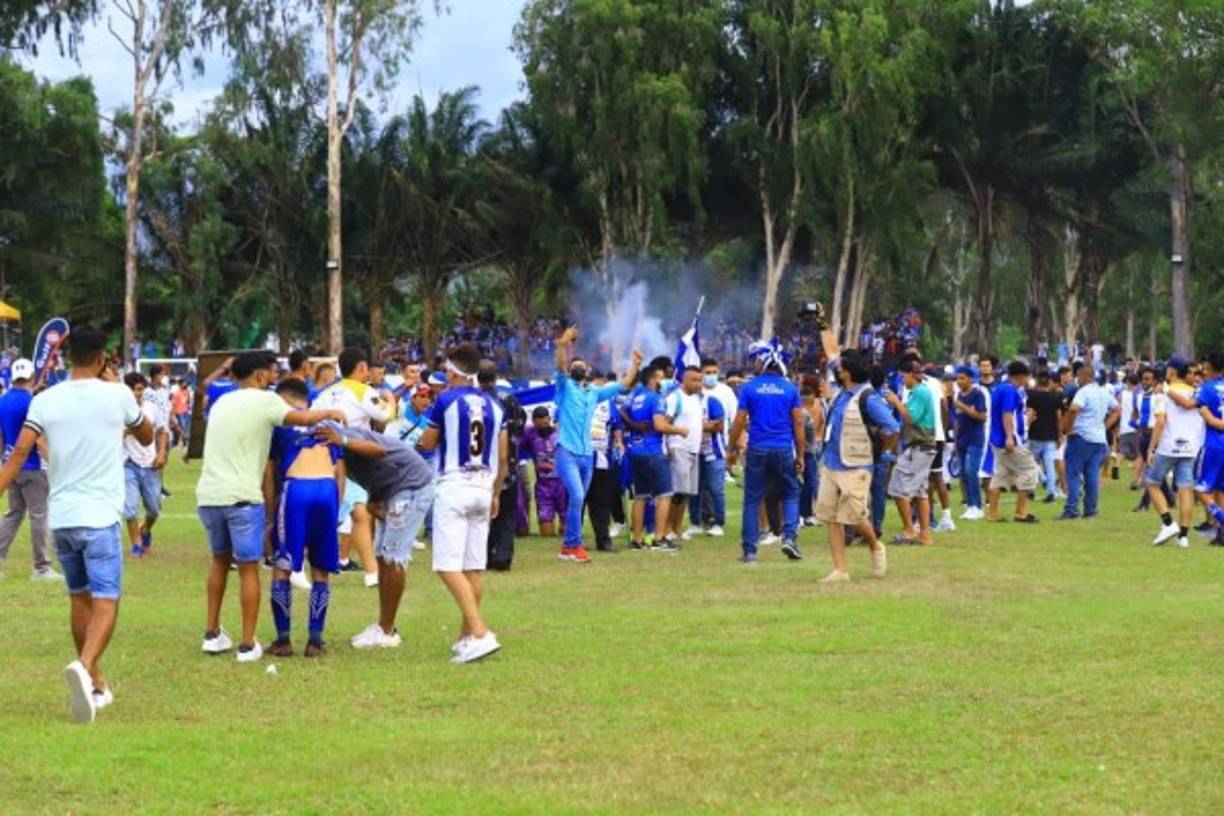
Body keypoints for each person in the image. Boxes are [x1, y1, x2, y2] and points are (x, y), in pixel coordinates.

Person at [0, 328, 153, 723]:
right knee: (106, 601)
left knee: (79, 599)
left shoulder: (45, 399)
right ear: (102, 358)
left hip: (62, 518)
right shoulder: (118, 394)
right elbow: (146, 432)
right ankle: (84, 667)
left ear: (67, 358)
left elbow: (19, 450)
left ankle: (97, 684)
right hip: (99, 517)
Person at [196, 350, 345, 663]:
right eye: (272, 373)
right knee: (257, 569)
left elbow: (270, 467)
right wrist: (335, 413)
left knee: (223, 562)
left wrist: (271, 512)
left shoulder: (222, 400)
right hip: (285, 493)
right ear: (261, 376)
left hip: (211, 495)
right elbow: (308, 424)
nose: (274, 378)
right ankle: (261, 643)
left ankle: (217, 634)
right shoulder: (268, 403)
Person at [418, 343, 508, 664]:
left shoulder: (444, 400)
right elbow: (502, 456)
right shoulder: (496, 407)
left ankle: (481, 633)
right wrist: (496, 492)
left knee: (447, 565)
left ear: (454, 372)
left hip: (454, 485)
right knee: (473, 566)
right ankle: (466, 637)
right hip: (483, 487)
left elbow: (427, 442)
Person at [316, 411, 436, 651]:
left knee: (393, 557)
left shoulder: (348, 439)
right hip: (391, 490)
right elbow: (376, 471)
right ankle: (384, 625)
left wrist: (343, 441)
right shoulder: (337, 451)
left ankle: (387, 631)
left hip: (411, 487)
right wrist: (373, 497)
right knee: (382, 555)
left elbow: (379, 452)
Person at [813, 316, 899, 581]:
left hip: (856, 465)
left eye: (841, 367)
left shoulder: (868, 398)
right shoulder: (842, 390)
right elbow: (831, 352)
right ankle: (840, 569)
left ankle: (875, 545)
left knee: (856, 515)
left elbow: (892, 428)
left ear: (847, 372)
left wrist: (883, 452)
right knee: (831, 516)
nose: (836, 368)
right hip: (831, 462)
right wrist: (823, 326)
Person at [265, 378, 345, 657]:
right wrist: (337, 508)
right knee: (321, 569)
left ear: (284, 400)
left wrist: (269, 516)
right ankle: (315, 640)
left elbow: (269, 473)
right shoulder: (329, 427)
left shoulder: (280, 426)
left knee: (282, 566)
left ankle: (283, 639)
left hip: (296, 489)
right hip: (327, 489)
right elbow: (340, 473)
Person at [551, 326, 642, 562]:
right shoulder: (564, 387)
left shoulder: (594, 393)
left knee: (578, 498)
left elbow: (624, 385)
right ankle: (573, 545)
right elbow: (560, 366)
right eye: (574, 366)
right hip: (567, 452)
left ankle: (568, 548)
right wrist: (563, 344)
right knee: (578, 496)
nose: (577, 368)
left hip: (587, 454)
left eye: (581, 366)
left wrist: (635, 365)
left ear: (588, 371)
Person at [312, 348, 387, 588]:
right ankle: (371, 571)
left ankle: (367, 569)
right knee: (358, 513)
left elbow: (312, 419)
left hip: (327, 455)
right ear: (362, 368)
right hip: (352, 457)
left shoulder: (327, 392)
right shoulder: (364, 390)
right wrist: (391, 399)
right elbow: (385, 414)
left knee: (355, 512)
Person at [728, 339, 806, 563]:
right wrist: (800, 455)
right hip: (783, 448)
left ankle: (750, 551)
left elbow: (740, 421)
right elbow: (798, 424)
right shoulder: (790, 388)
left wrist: (731, 449)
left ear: (762, 362)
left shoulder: (749, 388)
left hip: (758, 448)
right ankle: (789, 538)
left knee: (752, 499)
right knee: (790, 494)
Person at [0, 357, 59, 580]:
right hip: (33, 466)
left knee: (13, 514)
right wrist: (53, 463)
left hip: (10, 466)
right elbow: (38, 439)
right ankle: (42, 567)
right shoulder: (33, 403)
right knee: (39, 515)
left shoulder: (2, 401)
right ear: (32, 377)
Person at [623, 366, 688, 551]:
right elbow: (660, 425)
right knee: (665, 494)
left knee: (641, 496)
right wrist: (679, 430)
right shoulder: (656, 398)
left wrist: (634, 425)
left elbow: (622, 412)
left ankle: (637, 539)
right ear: (653, 379)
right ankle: (659, 539)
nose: (664, 381)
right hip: (652, 451)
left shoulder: (635, 396)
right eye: (661, 377)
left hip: (634, 451)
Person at [1146, 359, 1204, 548]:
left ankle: (1168, 523)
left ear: (1171, 371)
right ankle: (1184, 537)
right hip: (1190, 447)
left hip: (1168, 446)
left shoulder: (1163, 393)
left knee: (1152, 482)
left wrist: (1151, 448)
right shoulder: (1195, 392)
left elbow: (1160, 422)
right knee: (1185, 488)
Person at [884, 361, 938, 546]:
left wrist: (896, 402)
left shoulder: (920, 392)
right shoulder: (920, 392)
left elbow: (910, 418)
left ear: (911, 375)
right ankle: (925, 534)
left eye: (903, 376)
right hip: (921, 448)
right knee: (920, 493)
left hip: (919, 447)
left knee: (898, 489)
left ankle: (909, 530)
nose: (902, 380)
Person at [1058, 362, 1120, 521]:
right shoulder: (1103, 392)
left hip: (1081, 437)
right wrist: (1105, 426)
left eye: (1078, 376)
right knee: (1092, 476)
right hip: (1099, 440)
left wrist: (1068, 429)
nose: (1076, 380)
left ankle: (1072, 509)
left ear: (1084, 376)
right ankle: (1090, 510)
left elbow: (1073, 409)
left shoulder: (1083, 392)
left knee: (1072, 474)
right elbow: (1117, 409)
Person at [480, 360, 524, 569]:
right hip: (508, 465)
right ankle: (503, 555)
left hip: (481, 467)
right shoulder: (509, 400)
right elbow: (521, 425)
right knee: (507, 514)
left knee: (483, 514)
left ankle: (485, 555)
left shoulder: (475, 401)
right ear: (496, 377)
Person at [986, 361, 1041, 524]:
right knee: (1029, 470)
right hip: (1009, 440)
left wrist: (1026, 420)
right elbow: (1007, 414)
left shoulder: (999, 388)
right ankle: (1021, 511)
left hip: (996, 439)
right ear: (1021, 376)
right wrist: (1010, 437)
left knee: (1001, 474)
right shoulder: (1010, 391)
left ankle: (993, 513)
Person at [121, 373, 169, 557]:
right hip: (127, 463)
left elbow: (162, 431)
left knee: (154, 508)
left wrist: (162, 452)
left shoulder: (152, 408)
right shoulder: (119, 411)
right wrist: (128, 430)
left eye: (139, 389)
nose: (136, 393)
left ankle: (145, 529)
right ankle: (136, 544)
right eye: (132, 389)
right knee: (130, 508)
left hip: (150, 463)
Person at [586, 372, 626, 552]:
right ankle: (573, 541)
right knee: (577, 501)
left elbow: (617, 426)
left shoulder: (609, 405)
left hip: (603, 461)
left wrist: (619, 443)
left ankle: (603, 541)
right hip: (580, 459)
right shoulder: (577, 401)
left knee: (601, 502)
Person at [664, 367, 705, 542]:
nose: (698, 383)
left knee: (686, 492)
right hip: (678, 447)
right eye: (694, 380)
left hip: (693, 450)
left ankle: (677, 528)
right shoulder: (675, 398)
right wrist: (667, 447)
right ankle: (666, 528)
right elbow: (666, 423)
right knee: (676, 492)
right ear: (684, 380)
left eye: (699, 380)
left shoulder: (698, 399)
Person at [1192, 352, 1224, 544]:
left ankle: (1221, 520)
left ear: (1210, 367)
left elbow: (1208, 418)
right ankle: (1221, 534)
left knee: (1201, 489)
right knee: (1221, 489)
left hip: (1213, 445)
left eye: (1204, 367)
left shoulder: (1206, 389)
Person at [522, 407, 566, 537]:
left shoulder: (560, 434)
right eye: (539, 422)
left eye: (545, 421)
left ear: (549, 419)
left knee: (566, 528)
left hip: (562, 484)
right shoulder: (530, 434)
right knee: (547, 533)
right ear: (534, 422)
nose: (543, 424)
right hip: (543, 486)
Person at [951, 366, 987, 520]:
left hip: (975, 438)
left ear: (970, 379)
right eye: (957, 378)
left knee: (972, 471)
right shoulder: (959, 394)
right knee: (964, 474)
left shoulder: (977, 394)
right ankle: (970, 505)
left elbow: (982, 416)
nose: (959, 381)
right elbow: (958, 420)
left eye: (962, 378)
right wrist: (955, 440)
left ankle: (977, 506)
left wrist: (963, 407)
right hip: (962, 439)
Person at [1026, 370, 1064, 503]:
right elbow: (1059, 418)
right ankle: (1051, 491)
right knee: (1049, 466)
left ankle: (1032, 488)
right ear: (1048, 382)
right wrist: (1060, 435)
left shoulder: (1031, 396)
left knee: (1031, 464)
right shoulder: (1055, 398)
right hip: (1050, 436)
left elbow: (1029, 415)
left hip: (1034, 435)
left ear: (1036, 381)